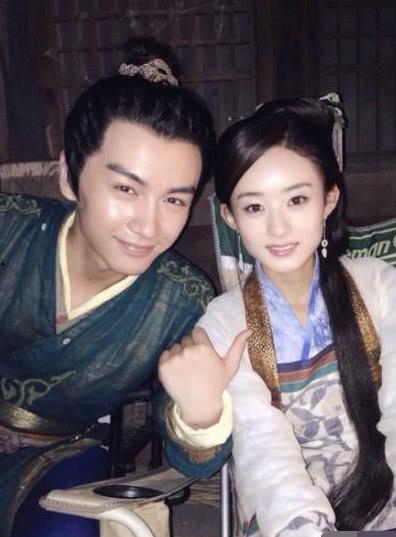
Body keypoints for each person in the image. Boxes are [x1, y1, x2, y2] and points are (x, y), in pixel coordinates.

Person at [161, 98, 396, 535]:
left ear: (328, 199)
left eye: (296, 200)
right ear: (230, 216)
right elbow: (263, 450)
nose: (278, 228)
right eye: (254, 207)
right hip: (285, 519)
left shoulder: (382, 288)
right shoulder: (224, 324)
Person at [0, 37, 232, 537]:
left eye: (174, 200)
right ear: (70, 176)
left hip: (59, 454)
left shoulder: (182, 300)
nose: (148, 226)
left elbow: (194, 461)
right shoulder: (6, 230)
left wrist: (200, 412)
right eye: (126, 188)